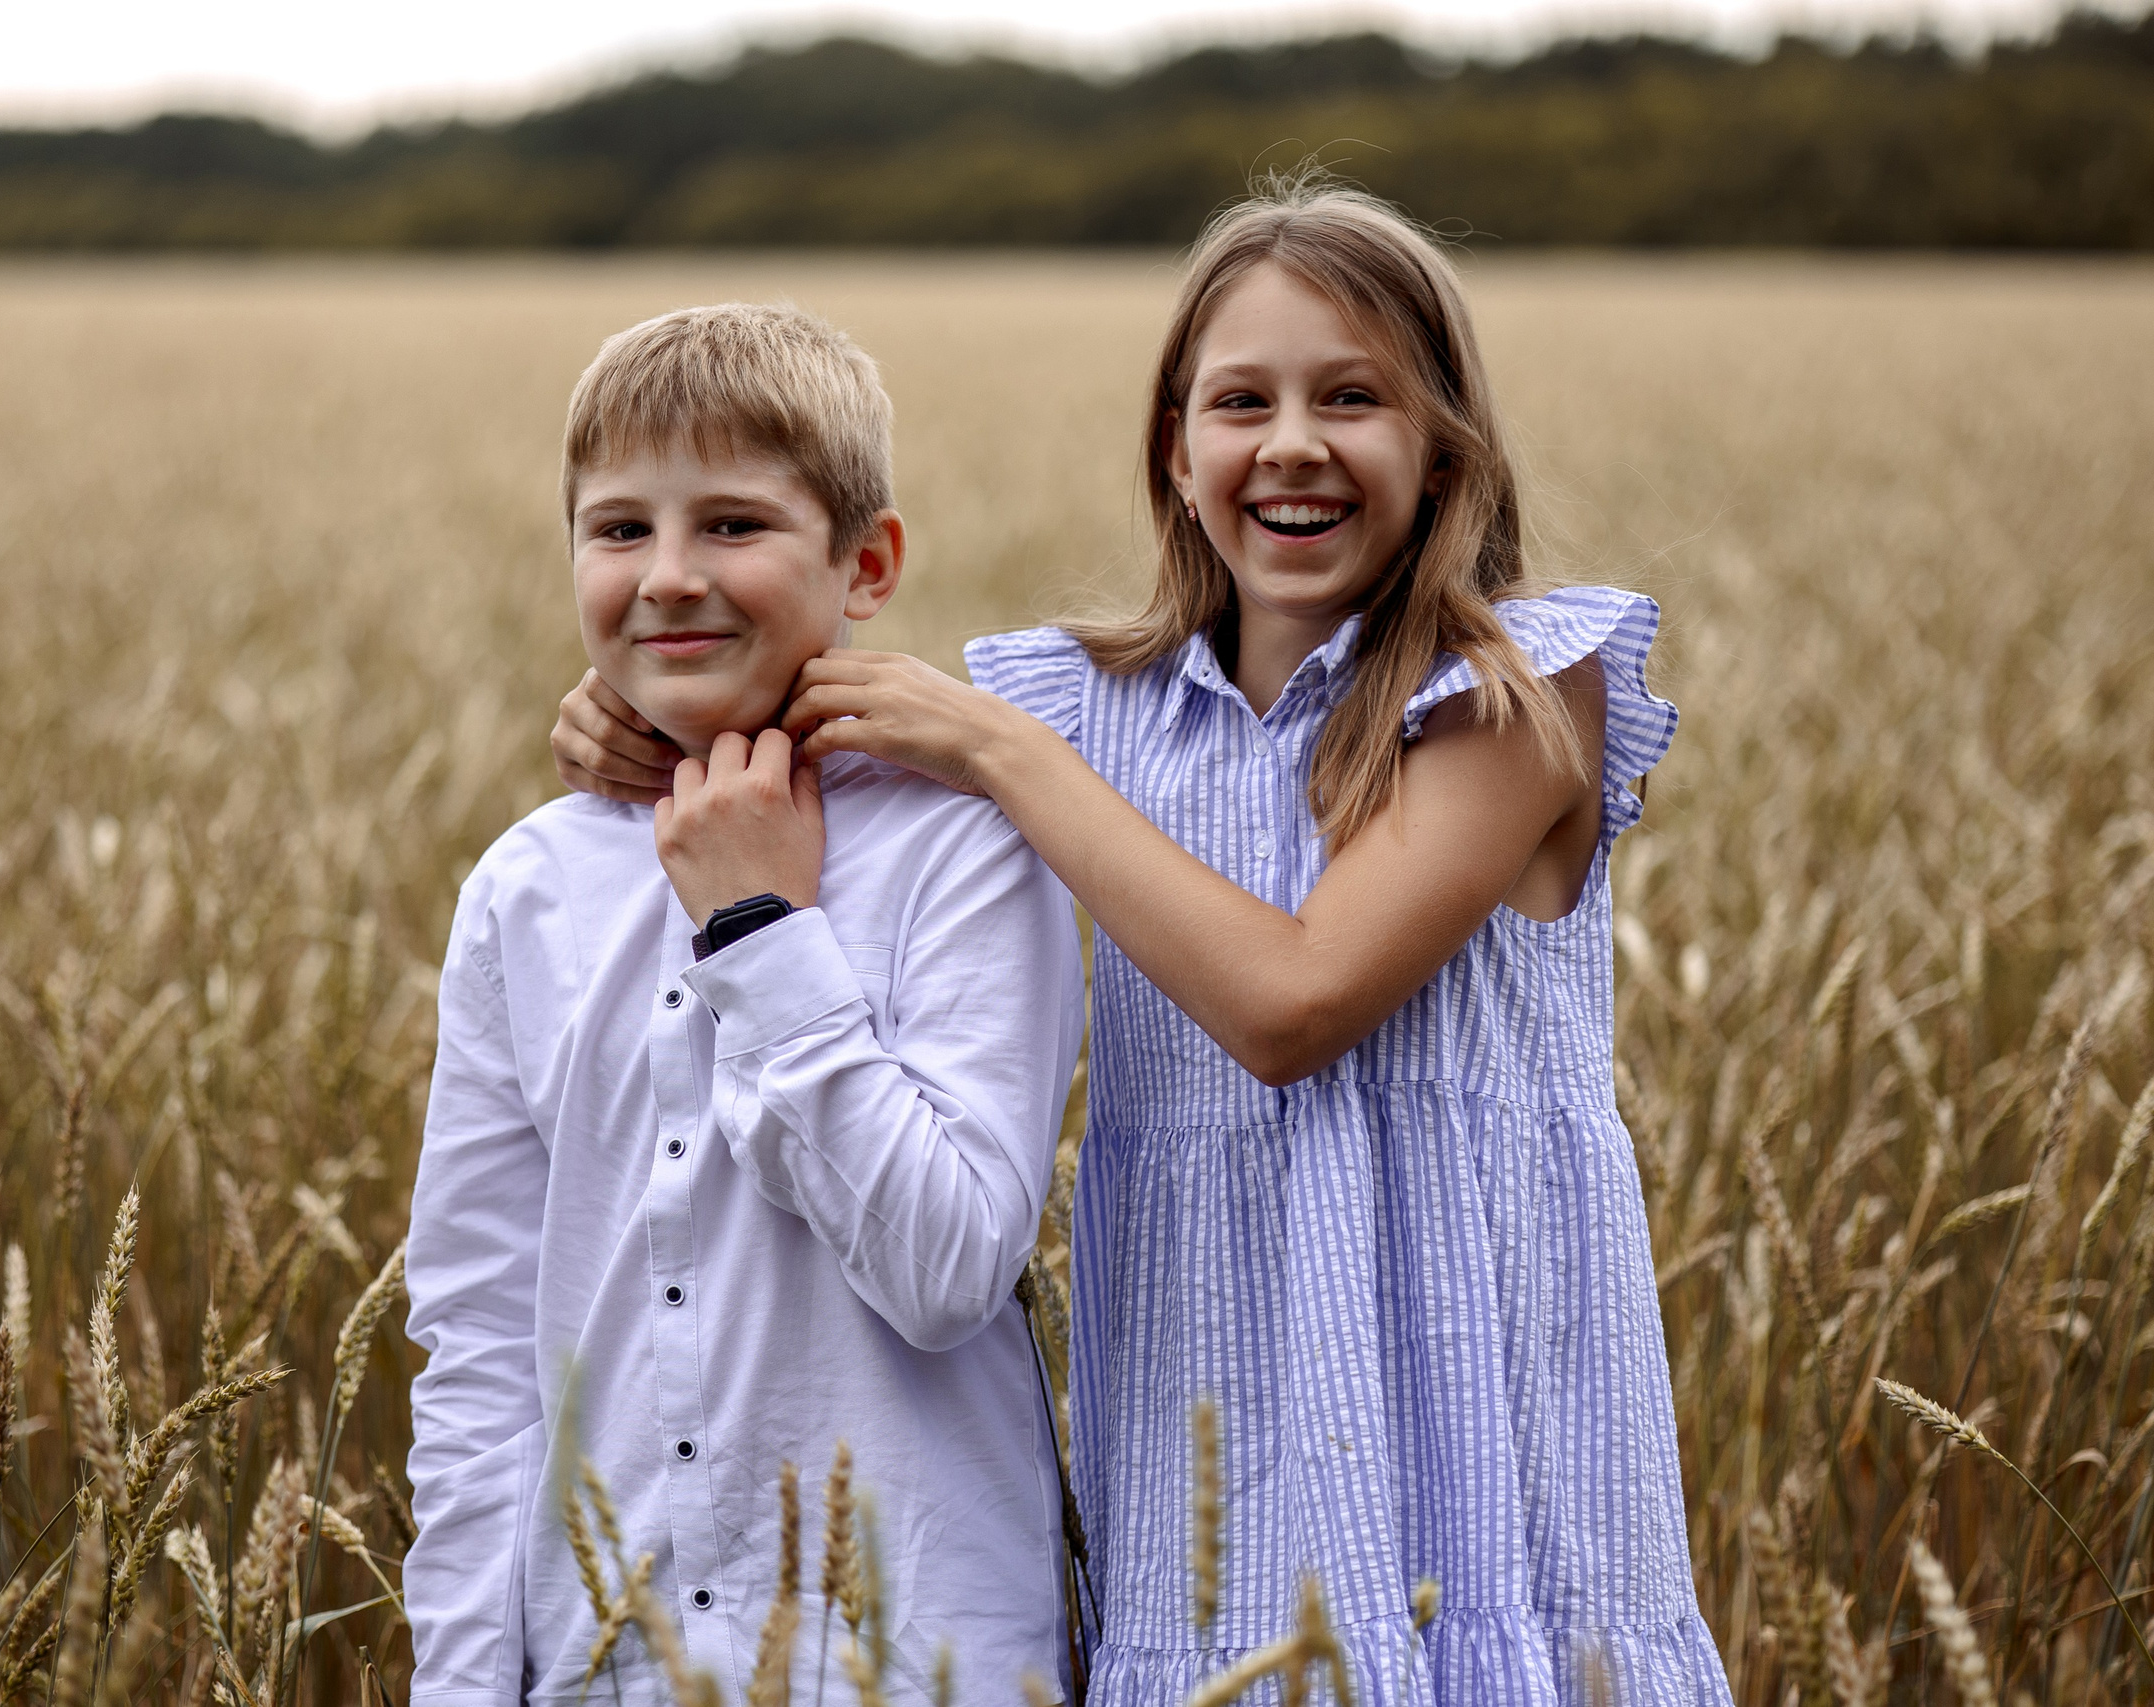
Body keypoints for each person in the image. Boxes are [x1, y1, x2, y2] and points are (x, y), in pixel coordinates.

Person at [552, 185, 1735, 1705]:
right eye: (1241, 402)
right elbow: (780, 668)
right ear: (1177, 454)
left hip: (1480, 1439)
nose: (1291, 443)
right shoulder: (1085, 709)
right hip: (1210, 1437)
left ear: (1446, 449)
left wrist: (1006, 756)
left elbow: (1296, 1002)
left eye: (1352, 398)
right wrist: (630, 721)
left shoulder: (1514, 694)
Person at [405, 302, 1085, 1707]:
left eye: (732, 525)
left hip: (909, 1663)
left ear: (865, 563)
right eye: (618, 529)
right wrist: (462, 1681)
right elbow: (477, 1340)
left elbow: (947, 1270)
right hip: (609, 1663)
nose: (668, 578)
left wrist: (761, 933)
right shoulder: (527, 889)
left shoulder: (968, 851)